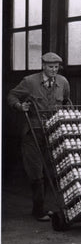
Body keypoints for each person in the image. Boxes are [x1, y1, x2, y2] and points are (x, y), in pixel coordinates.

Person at [7, 52, 70, 221]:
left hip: (54, 131)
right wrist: (20, 106)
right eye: (50, 67)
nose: (54, 70)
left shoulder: (63, 82)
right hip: (33, 132)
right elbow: (11, 95)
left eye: (56, 67)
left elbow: (66, 101)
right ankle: (38, 209)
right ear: (43, 66)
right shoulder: (29, 81)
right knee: (36, 171)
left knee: (54, 169)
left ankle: (61, 206)